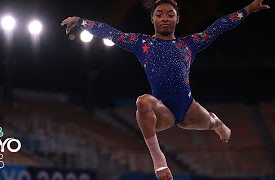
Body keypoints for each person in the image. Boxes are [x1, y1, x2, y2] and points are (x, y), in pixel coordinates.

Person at [61, 0, 270, 179]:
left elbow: (219, 27)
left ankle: (216, 122)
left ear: (177, 19)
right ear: (152, 19)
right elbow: (110, 32)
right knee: (142, 101)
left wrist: (249, 8)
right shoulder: (142, 43)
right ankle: (158, 160)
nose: (165, 18)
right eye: (159, 14)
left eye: (170, 14)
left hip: (188, 109)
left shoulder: (189, 44)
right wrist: (80, 22)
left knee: (212, 122)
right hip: (163, 111)